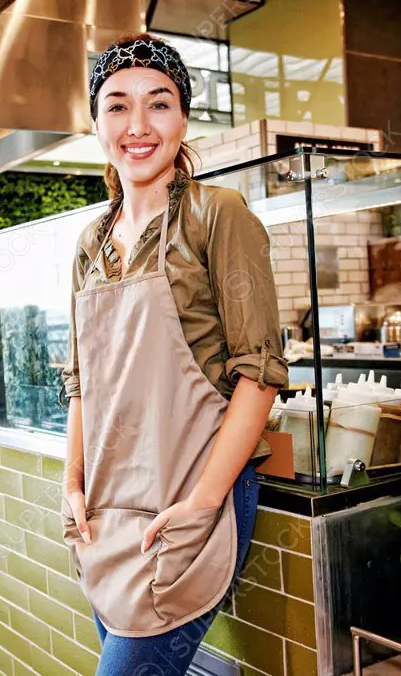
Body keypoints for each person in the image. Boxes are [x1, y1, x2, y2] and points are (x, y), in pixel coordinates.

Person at [60, 34, 289, 676]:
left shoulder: (218, 216)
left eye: (158, 104)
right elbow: (83, 383)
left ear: (183, 116)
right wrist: (73, 481)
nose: (138, 126)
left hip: (190, 500)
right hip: (108, 510)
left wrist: (202, 503)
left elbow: (259, 374)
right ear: (97, 122)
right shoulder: (90, 243)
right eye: (117, 106)